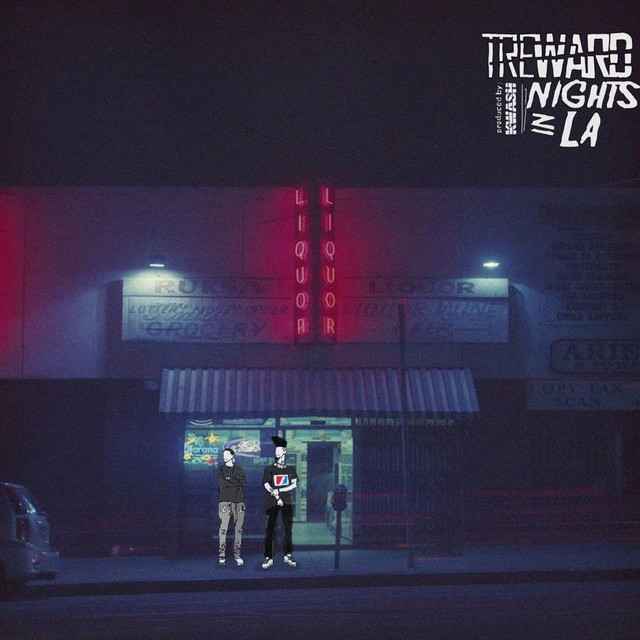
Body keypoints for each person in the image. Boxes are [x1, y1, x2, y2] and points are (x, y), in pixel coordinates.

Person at [261, 436, 299, 569]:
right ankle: (268, 557)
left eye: (279, 450)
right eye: (275, 450)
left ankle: (287, 554)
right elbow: (266, 483)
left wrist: (280, 490)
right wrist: (275, 494)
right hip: (272, 502)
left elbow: (294, 484)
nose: (277, 453)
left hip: (286, 502)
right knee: (270, 529)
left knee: (288, 529)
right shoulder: (269, 469)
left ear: (284, 451)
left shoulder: (290, 469)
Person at [216, 447, 247, 566]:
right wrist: (234, 481)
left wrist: (229, 480)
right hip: (224, 501)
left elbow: (243, 483)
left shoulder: (239, 470)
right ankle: (222, 555)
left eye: (226, 454)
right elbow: (222, 483)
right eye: (223, 454)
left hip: (238, 502)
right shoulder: (220, 470)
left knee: (238, 530)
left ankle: (237, 555)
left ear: (232, 456)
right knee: (223, 529)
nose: (224, 456)